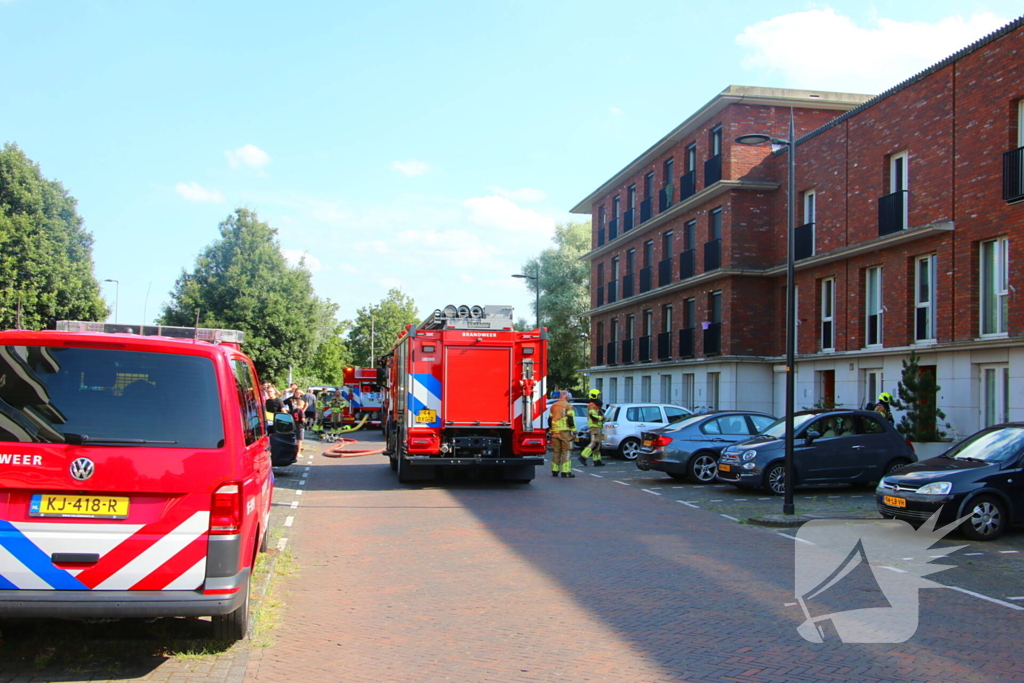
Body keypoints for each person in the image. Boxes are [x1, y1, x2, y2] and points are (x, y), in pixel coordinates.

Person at [548, 391, 576, 478]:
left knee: (556, 451)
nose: (569, 398)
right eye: (569, 397)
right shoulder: (568, 406)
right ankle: (566, 471)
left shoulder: (554, 405)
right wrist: (574, 430)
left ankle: (555, 470)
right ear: (566, 397)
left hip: (555, 431)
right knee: (566, 451)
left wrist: (551, 429)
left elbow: (550, 419)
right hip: (565, 431)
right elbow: (570, 419)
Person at [578, 388, 606, 467]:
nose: (600, 396)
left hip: (597, 426)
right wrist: (601, 418)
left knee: (598, 444)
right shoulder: (592, 405)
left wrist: (602, 415)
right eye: (598, 395)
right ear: (595, 396)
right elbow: (592, 415)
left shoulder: (596, 405)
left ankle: (597, 461)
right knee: (594, 442)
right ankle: (583, 457)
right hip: (594, 426)